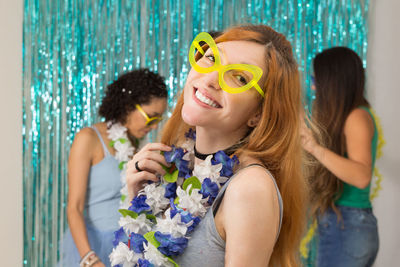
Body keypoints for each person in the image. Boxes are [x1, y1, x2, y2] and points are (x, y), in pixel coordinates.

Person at [125, 25, 307, 266]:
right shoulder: (178, 163)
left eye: (239, 77)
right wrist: (136, 197)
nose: (210, 79)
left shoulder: (249, 188)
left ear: (259, 113)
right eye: (211, 58)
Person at [59, 69, 168, 267]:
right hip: (93, 248)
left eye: (158, 120)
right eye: (151, 117)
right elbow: (74, 208)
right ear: (128, 106)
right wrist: (89, 259)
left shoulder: (135, 148)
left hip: (128, 247)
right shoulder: (88, 138)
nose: (154, 127)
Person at [300, 47, 379, 267]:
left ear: (333, 81)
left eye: (317, 79)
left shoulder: (357, 117)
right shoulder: (351, 116)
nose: (314, 86)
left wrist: (315, 148)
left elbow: (361, 176)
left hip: (348, 226)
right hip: (347, 226)